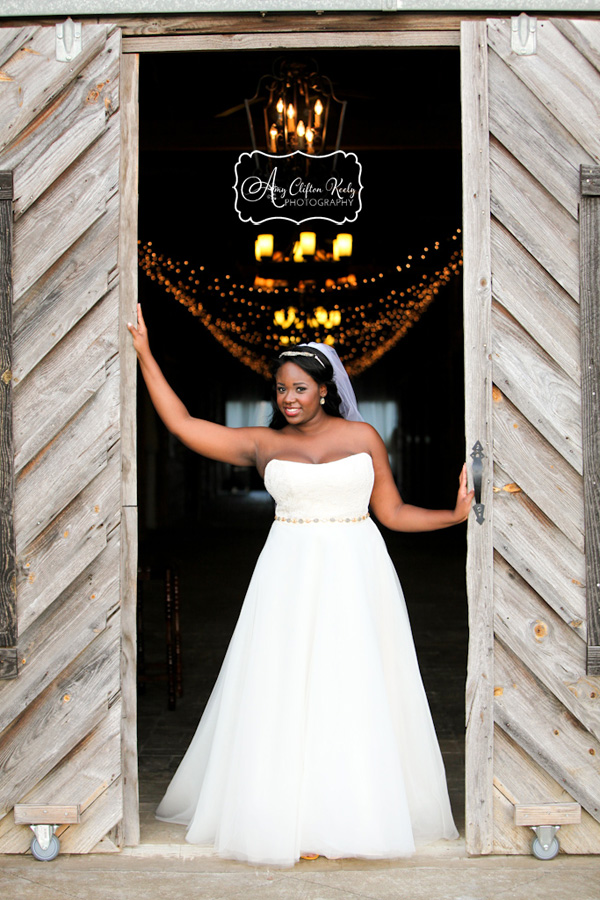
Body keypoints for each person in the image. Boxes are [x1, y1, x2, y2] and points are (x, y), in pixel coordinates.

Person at [127, 305, 473, 868]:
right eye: (281, 388)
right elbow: (184, 426)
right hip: (287, 572)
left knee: (353, 683)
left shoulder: (364, 436)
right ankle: (287, 815)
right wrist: (146, 354)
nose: (288, 397)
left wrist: (453, 517)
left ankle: (353, 813)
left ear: (326, 389)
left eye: (300, 387)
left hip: (358, 571)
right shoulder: (263, 443)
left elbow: (393, 512)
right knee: (285, 686)